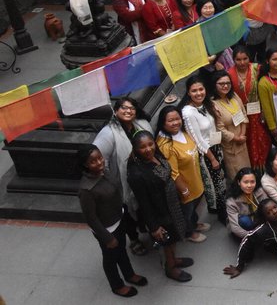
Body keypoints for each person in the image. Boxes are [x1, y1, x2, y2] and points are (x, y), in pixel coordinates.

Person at [78, 145, 146, 298]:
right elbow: (91, 218)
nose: (99, 162)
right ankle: (116, 285)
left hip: (118, 219)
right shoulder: (86, 190)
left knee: (121, 249)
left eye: (100, 157)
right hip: (107, 228)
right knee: (110, 257)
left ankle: (129, 274)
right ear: (85, 165)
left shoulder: (104, 172)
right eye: (93, 161)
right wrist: (107, 238)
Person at [127, 131, 193, 283]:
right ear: (136, 149)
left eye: (150, 144)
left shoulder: (157, 155)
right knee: (166, 240)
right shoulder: (136, 173)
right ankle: (170, 268)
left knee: (175, 234)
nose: (148, 149)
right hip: (159, 212)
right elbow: (144, 203)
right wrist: (154, 226)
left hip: (171, 204)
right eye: (143, 147)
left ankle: (174, 259)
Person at [94, 99, 153, 254]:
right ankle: (134, 240)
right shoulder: (108, 133)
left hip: (143, 176)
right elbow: (98, 158)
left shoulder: (142, 124)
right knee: (127, 213)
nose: (128, 111)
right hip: (121, 182)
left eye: (132, 108)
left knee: (144, 206)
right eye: (124, 108)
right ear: (116, 110)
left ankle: (147, 229)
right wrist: (109, 181)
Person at [155, 106, 207, 243]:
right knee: (186, 211)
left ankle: (195, 224)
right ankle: (189, 232)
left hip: (194, 179)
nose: (175, 123)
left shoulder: (183, 132)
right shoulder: (166, 145)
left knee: (193, 208)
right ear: (163, 123)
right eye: (170, 120)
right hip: (184, 186)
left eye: (177, 119)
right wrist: (183, 190)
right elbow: (173, 173)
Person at [180, 76, 226, 222]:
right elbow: (197, 139)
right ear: (188, 93)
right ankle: (220, 213)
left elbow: (212, 127)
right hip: (206, 153)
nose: (199, 93)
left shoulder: (205, 104)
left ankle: (224, 208)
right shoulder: (188, 112)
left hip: (216, 146)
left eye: (201, 89)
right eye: (194, 91)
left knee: (221, 181)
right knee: (215, 184)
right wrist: (212, 158)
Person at [228, 46, 271, 177]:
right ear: (233, 59)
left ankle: (266, 165)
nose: (242, 63)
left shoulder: (257, 69)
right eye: (238, 59)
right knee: (247, 141)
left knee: (262, 138)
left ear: (249, 58)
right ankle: (253, 170)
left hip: (257, 111)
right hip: (240, 114)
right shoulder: (229, 74)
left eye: (245, 59)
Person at [210, 71, 251, 180]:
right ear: (214, 85)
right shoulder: (213, 104)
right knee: (236, 173)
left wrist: (242, 134)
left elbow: (243, 114)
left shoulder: (234, 96)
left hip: (242, 140)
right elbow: (219, 128)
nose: (225, 86)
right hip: (230, 144)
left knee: (246, 168)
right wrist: (236, 138)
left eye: (228, 83)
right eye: (221, 83)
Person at [226, 167, 269, 239]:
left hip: (257, 219)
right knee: (245, 221)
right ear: (239, 182)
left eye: (252, 182)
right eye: (245, 182)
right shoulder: (231, 201)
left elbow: (267, 209)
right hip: (243, 226)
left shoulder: (260, 191)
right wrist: (255, 236)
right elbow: (235, 228)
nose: (249, 186)